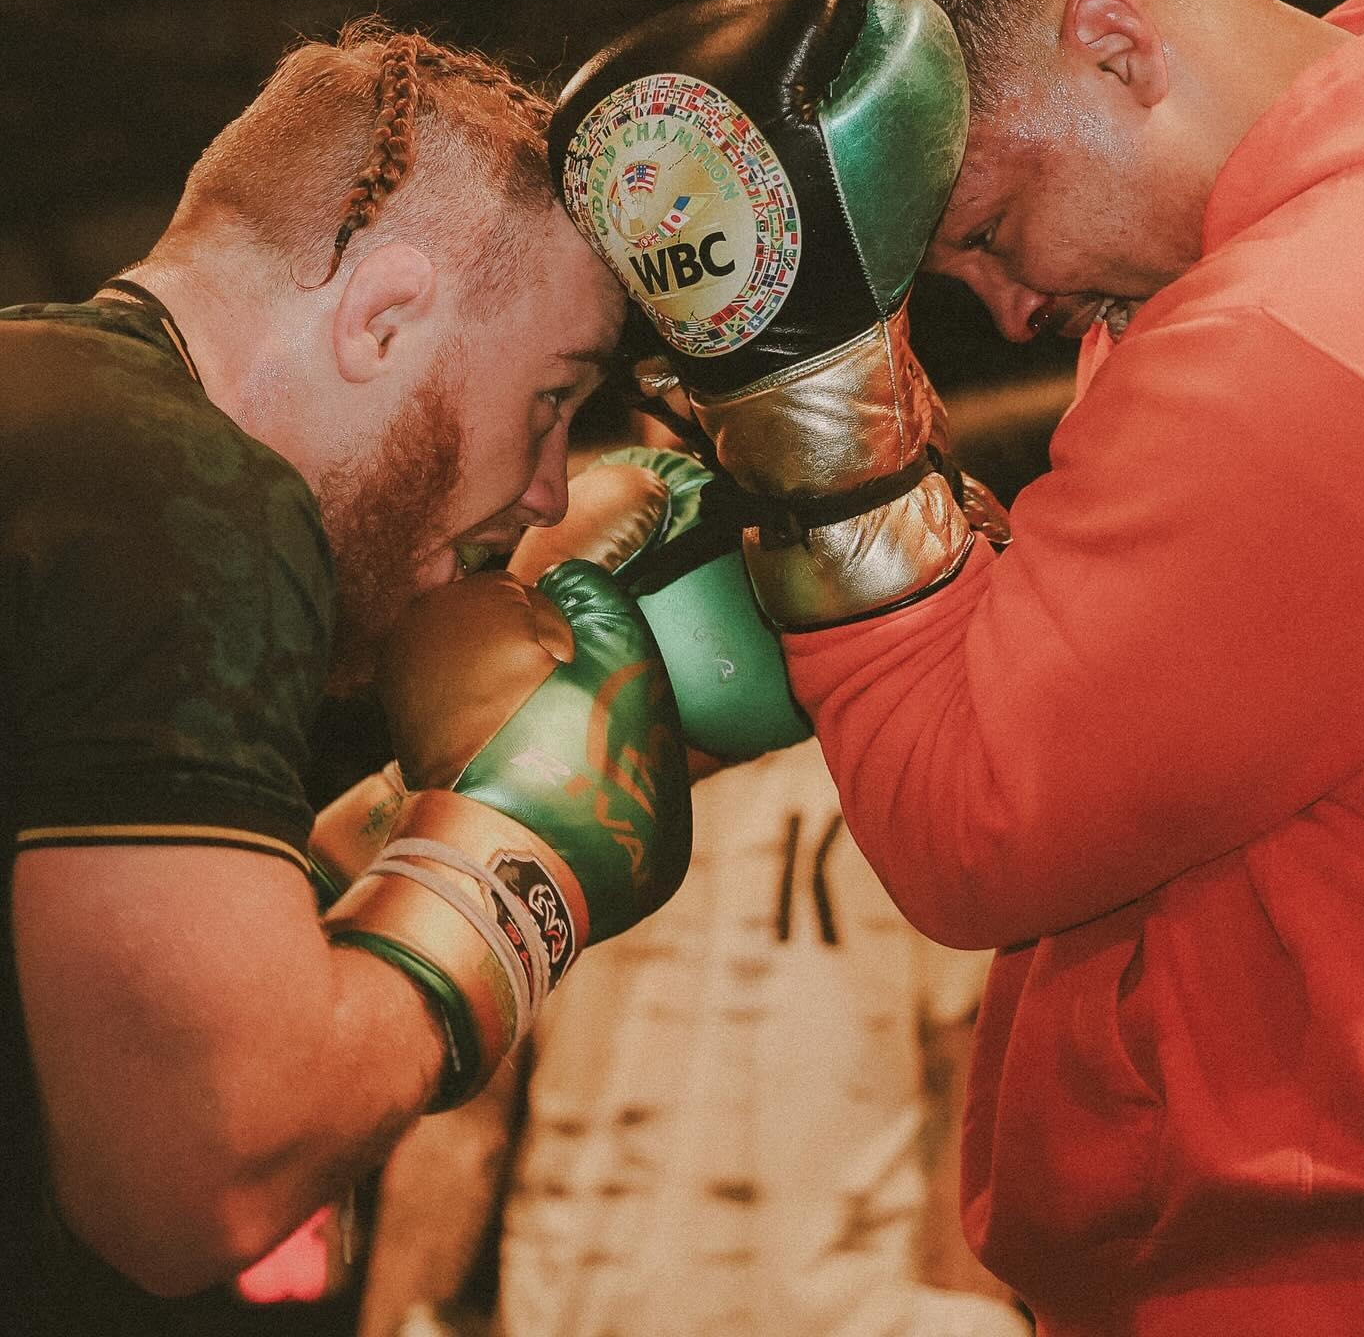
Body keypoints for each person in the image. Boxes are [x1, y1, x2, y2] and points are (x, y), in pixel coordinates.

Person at [544, 0, 1364, 1335]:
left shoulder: (1296, 334)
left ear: (1116, 46)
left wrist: (815, 429)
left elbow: (971, 823)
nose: (1012, 311)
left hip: (1334, 1275)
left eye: (992, 228)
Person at [2, 23, 696, 1334]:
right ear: (383, 318)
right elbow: (194, 1179)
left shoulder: (49, 418)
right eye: (553, 398)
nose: (550, 489)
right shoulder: (186, 495)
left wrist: (394, 814)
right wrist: (520, 868)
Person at [356, 453, 1029, 1337]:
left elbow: (970, 1072)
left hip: (848, 1317)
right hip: (584, 1311)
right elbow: (466, 1105)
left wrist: (966, 1310)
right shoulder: (556, 712)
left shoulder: (902, 709)